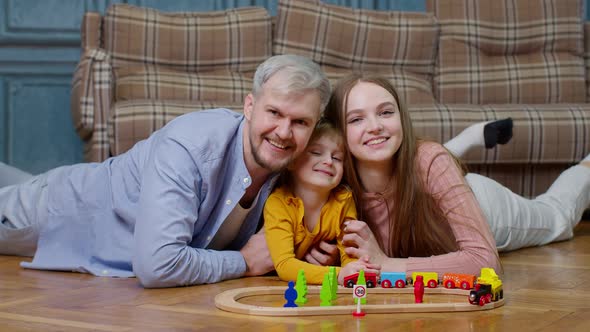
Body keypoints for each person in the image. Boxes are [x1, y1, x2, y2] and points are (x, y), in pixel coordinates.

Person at [0, 54, 332, 288]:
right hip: (61, 212)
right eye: (273, 112)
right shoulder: (190, 145)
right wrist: (244, 263)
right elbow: (158, 266)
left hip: (86, 184)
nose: (284, 132)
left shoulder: (293, 165)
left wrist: (308, 249)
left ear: (314, 126)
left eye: (300, 121)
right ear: (248, 106)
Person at [324, 74, 590, 277]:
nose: (375, 126)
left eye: (385, 112)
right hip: (431, 185)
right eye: (356, 119)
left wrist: (387, 264)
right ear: (337, 133)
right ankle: (466, 141)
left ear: (401, 117)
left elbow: (485, 261)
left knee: (558, 217)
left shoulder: (428, 159)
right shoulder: (331, 175)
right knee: (428, 158)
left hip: (485, 210)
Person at [263, 119, 379, 285]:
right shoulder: (279, 203)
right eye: (316, 153)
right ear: (293, 161)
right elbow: (284, 266)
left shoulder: (343, 200)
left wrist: (356, 269)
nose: (329, 161)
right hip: (279, 287)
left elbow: (349, 254)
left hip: (321, 285)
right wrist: (338, 275)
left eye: (337, 158)